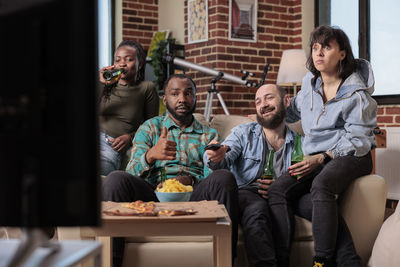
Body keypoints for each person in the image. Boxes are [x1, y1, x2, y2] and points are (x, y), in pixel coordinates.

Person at [204, 84, 361, 267]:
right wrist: (216, 156)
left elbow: (311, 175)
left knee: (320, 205)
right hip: (248, 193)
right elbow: (223, 158)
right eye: (258, 101)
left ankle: (350, 262)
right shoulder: (243, 134)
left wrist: (280, 186)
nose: (263, 104)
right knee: (257, 212)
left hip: (286, 197)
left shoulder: (302, 142)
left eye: (269, 98)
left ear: (287, 101)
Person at [268, 25, 377, 267]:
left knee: (321, 185)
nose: (318, 53)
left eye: (326, 47)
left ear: (342, 54)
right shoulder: (309, 83)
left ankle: (322, 261)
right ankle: (282, 261)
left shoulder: (356, 94)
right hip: (316, 155)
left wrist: (322, 158)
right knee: (278, 191)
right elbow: (296, 113)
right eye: (315, 47)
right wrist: (281, 107)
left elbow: (358, 138)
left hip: (353, 153)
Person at [103, 74, 239, 267]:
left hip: (194, 196)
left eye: (188, 93)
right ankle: (112, 262)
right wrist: (151, 155)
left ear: (195, 98)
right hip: (152, 194)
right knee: (115, 179)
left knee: (224, 177)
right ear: (165, 99)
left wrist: (192, 179)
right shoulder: (150, 128)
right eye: (175, 94)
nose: (182, 99)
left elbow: (214, 177)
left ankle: (227, 261)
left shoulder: (209, 134)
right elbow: (131, 172)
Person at [99, 40, 159, 176]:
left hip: (110, 146)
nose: (122, 64)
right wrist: (100, 83)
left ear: (140, 64)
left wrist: (130, 137)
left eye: (129, 59)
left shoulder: (146, 88)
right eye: (117, 59)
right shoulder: (104, 85)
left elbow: (152, 127)